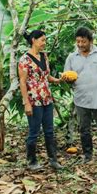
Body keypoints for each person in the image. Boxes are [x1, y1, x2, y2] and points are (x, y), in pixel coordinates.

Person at [64, 26, 97, 162]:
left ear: (90, 41)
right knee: (84, 129)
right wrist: (67, 80)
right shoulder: (71, 57)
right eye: (78, 42)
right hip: (81, 99)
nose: (80, 45)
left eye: (83, 42)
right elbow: (67, 79)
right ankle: (88, 156)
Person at [18, 30, 63, 170]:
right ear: (33, 40)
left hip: (46, 99)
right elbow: (22, 81)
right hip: (34, 100)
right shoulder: (24, 59)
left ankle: (53, 160)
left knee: (49, 130)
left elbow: (47, 77)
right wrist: (26, 103)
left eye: (45, 40)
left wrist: (59, 80)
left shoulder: (44, 56)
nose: (44, 43)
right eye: (42, 40)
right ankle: (31, 161)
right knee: (34, 132)